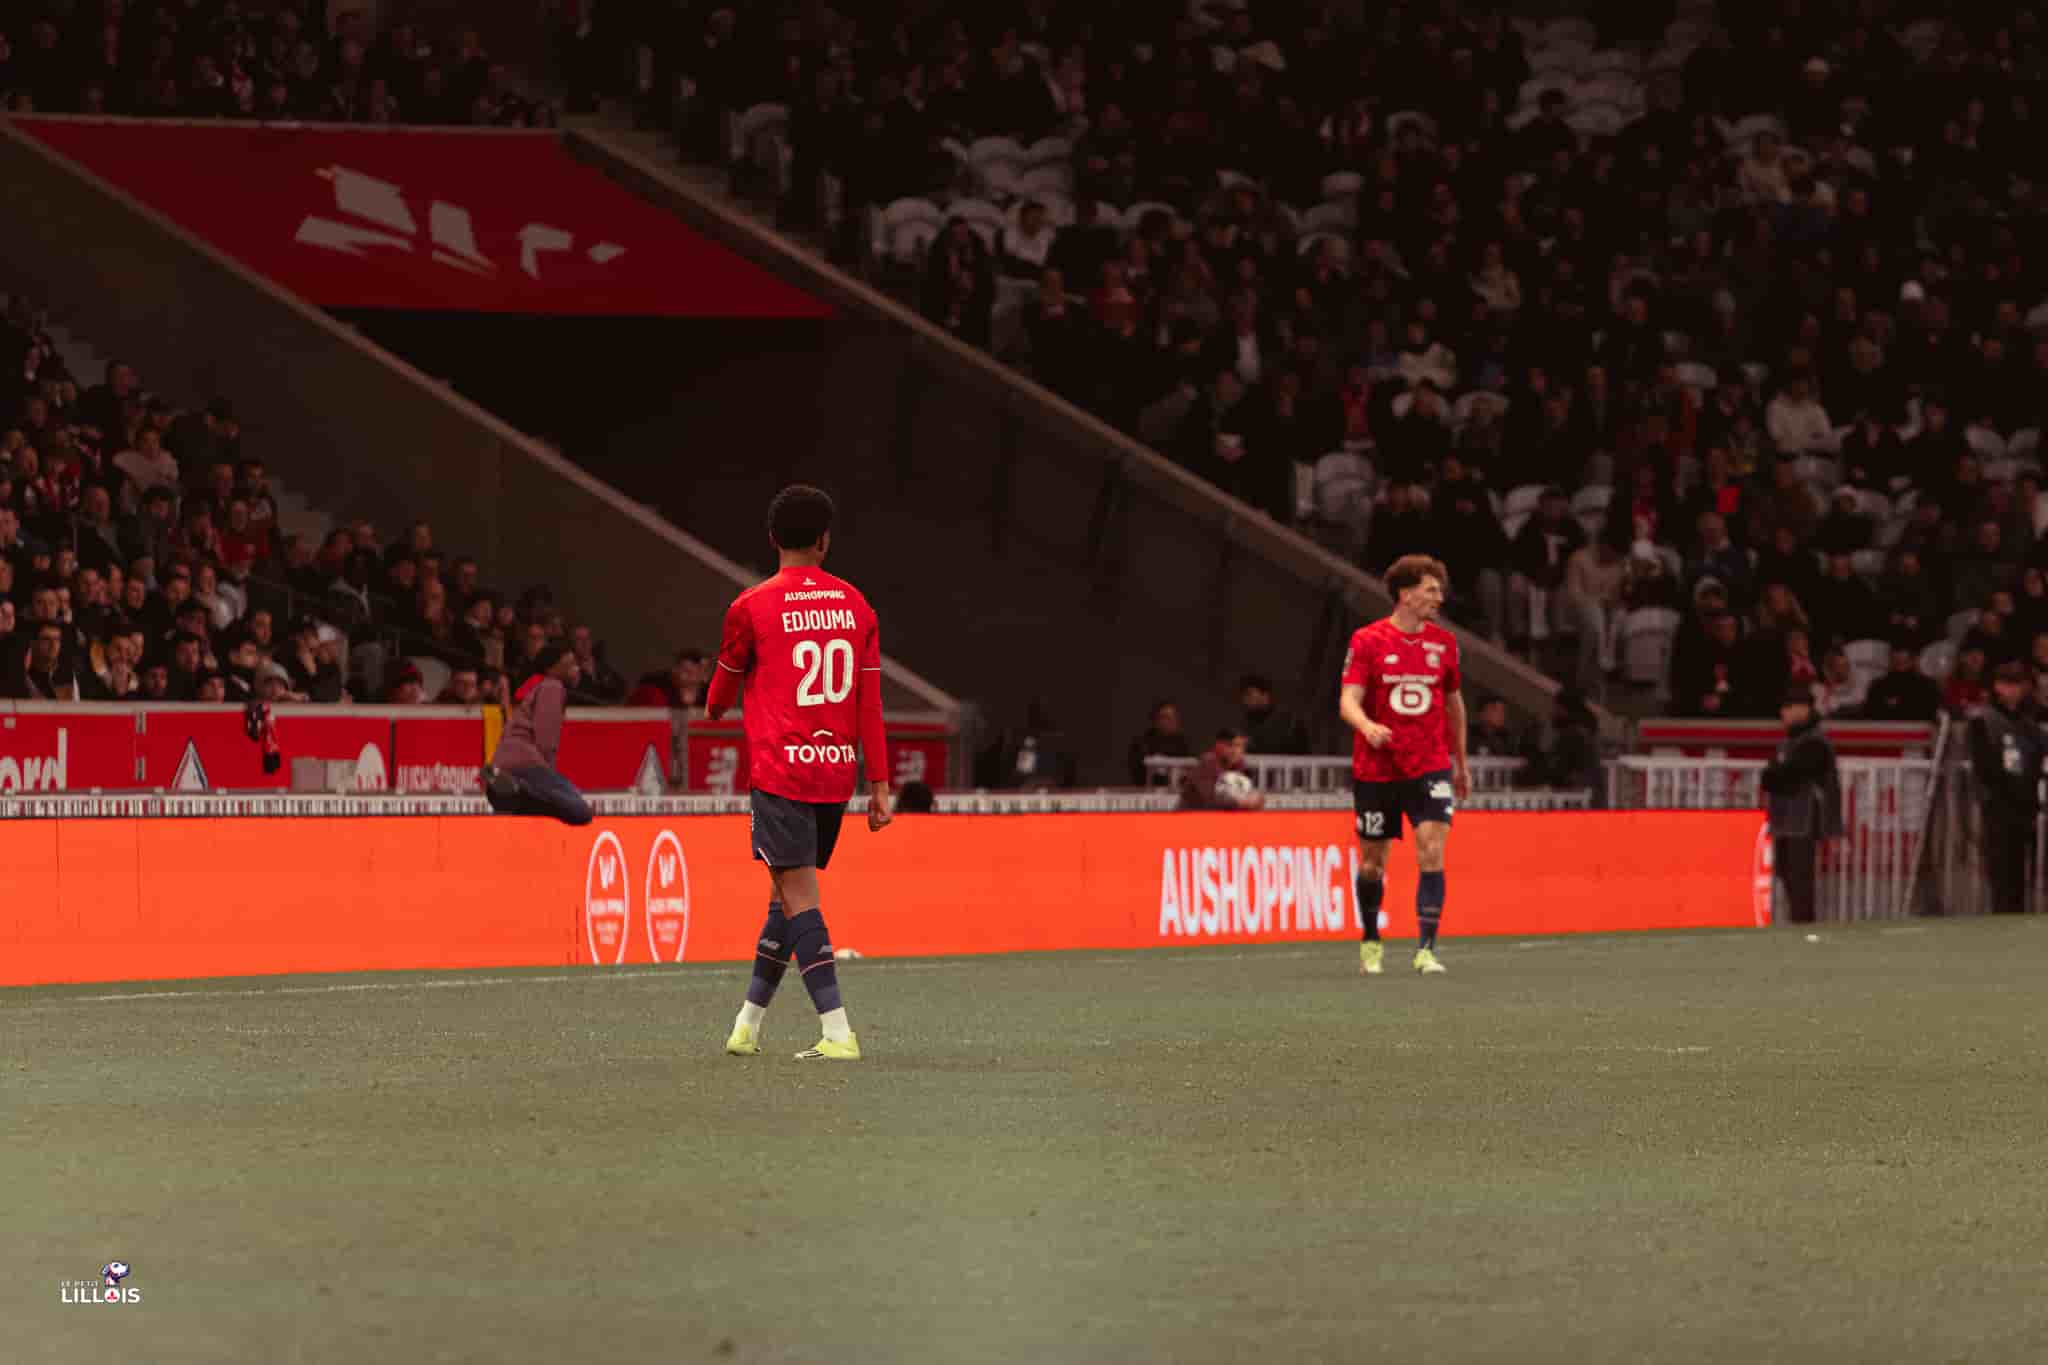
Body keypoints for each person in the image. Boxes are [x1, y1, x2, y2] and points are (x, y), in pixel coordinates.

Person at [706, 485, 892, 1062]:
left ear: (771, 539)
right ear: (824, 540)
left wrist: (724, 696)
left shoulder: (751, 606)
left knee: (799, 896)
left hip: (781, 772)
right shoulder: (858, 606)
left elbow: (717, 699)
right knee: (784, 897)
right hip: (836, 774)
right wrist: (880, 786)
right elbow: (869, 704)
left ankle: (837, 1031)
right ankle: (747, 1025)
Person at [1340, 553, 1469, 975]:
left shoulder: (1444, 645)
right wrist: (1367, 725)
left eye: (1439, 590)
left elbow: (1454, 704)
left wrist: (1461, 762)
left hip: (1430, 763)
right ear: (1405, 593)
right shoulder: (1367, 640)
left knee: (1432, 849)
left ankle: (1426, 950)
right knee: (1373, 862)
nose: (1438, 598)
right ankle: (1371, 941)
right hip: (1377, 768)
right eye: (1431, 589)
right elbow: (1347, 700)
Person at [481, 645, 593, 826]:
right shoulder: (552, 685)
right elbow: (546, 744)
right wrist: (548, 779)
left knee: (540, 806)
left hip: (502, 766)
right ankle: (520, 789)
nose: (576, 668)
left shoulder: (536, 689)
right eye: (570, 663)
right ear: (551, 668)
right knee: (580, 811)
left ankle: (512, 794)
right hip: (527, 768)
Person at [1760, 684, 1843, 925]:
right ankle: (1798, 925)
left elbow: (1788, 777)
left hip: (1803, 822)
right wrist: (1778, 775)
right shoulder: (1790, 743)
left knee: (1800, 883)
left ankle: (1803, 927)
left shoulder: (1815, 743)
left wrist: (1777, 775)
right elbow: (1771, 778)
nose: (1782, 713)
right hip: (1785, 822)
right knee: (1788, 878)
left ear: (1803, 709)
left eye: (1787, 707)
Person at [1967, 660, 2045, 915]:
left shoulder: (2028, 722)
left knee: (2020, 872)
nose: (2012, 690)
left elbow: (2039, 755)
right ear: (1997, 686)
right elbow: (1985, 768)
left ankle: (2016, 918)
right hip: (1998, 805)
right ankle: (2002, 919)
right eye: (2006, 683)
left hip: (2025, 805)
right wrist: (2007, 793)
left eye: (2017, 684)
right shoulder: (1983, 720)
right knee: (2002, 871)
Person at [1179, 729, 1266, 810]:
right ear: (1218, 746)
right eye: (1231, 745)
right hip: (1189, 819)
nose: (1236, 751)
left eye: (1240, 746)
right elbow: (1209, 800)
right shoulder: (1207, 764)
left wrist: (1257, 799)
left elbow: (1251, 795)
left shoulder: (1240, 766)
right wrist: (1239, 803)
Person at [1127, 699, 1193, 786]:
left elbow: (1191, 768)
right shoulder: (1142, 743)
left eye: (1174, 717)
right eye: (1166, 717)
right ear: (1155, 720)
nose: (1172, 721)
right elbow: (1139, 773)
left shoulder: (1183, 743)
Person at [1238, 673, 1310, 754]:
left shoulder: (1289, 722)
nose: (1245, 699)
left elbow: (1303, 757)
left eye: (1249, 694)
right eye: (1243, 695)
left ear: (1265, 695)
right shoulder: (1245, 725)